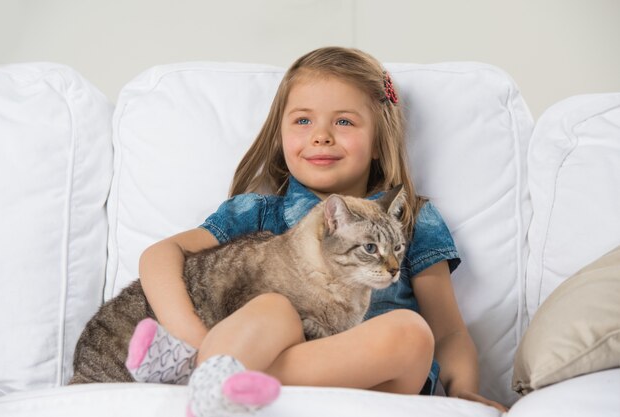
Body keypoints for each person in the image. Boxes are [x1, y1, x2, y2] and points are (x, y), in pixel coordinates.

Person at [125, 47, 507, 416]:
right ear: (280, 135)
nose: (321, 135)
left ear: (379, 141)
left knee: (411, 333)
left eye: (343, 121)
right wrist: (192, 335)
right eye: (303, 120)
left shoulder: (409, 218)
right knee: (275, 307)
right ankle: (212, 373)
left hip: (377, 388)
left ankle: (202, 371)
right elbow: (160, 255)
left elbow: (448, 332)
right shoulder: (259, 212)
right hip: (262, 374)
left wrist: (462, 394)